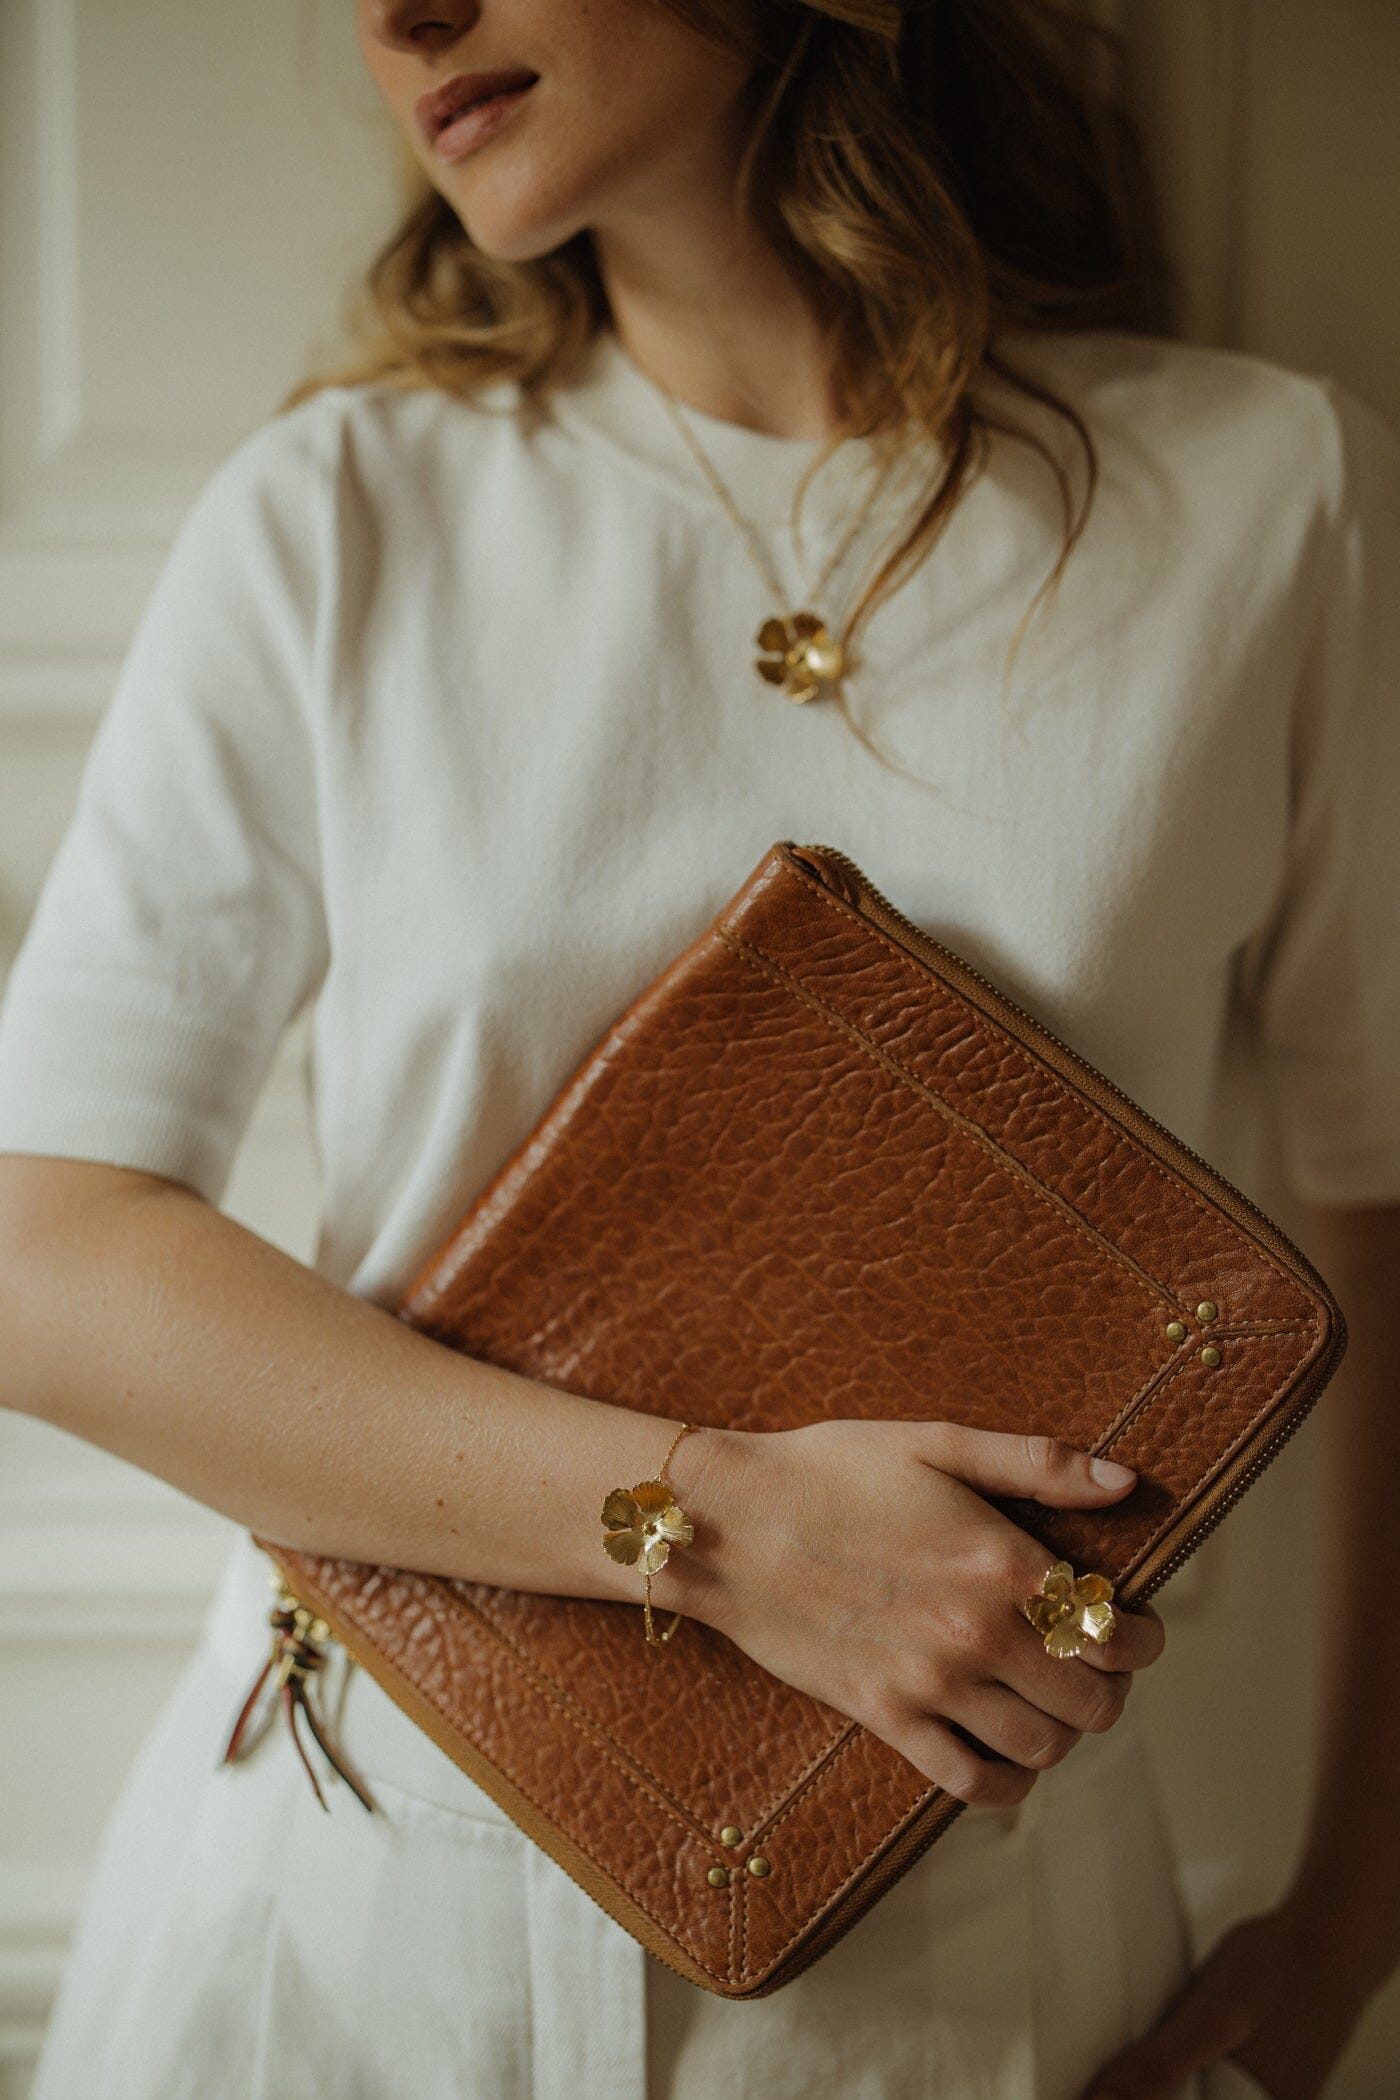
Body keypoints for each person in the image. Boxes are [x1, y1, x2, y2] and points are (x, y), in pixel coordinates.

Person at [1, 1, 1396, 2094]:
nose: (397, 16)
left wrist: (1350, 1934)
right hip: (363, 1911)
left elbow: (1386, 1223)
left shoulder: (1268, 501)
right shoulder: (341, 511)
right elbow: (40, 1248)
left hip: (977, 1960)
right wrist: (715, 1523)